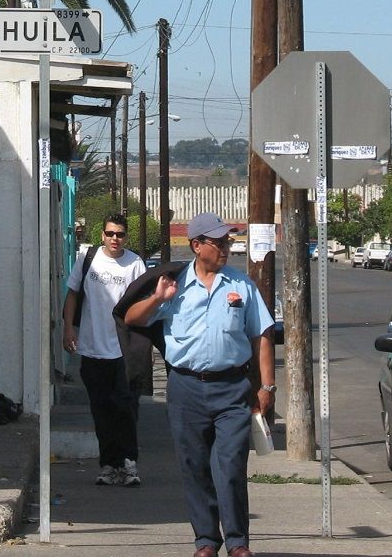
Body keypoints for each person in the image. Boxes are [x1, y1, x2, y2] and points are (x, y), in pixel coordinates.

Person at [124, 212, 276, 557]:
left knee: (231, 466)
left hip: (232, 388)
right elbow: (132, 318)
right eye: (218, 242)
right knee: (194, 466)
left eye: (228, 241)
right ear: (196, 246)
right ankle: (206, 541)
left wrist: (267, 386)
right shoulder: (174, 286)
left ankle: (237, 542)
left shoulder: (241, 286)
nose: (226, 247)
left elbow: (261, 336)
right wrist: (158, 299)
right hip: (186, 389)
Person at [61, 213, 147, 487]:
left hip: (123, 350)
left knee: (125, 409)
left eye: (120, 234)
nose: (114, 239)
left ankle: (129, 464)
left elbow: (144, 303)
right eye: (110, 234)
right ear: (102, 235)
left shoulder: (134, 264)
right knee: (101, 410)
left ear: (126, 237)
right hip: (92, 348)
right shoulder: (88, 260)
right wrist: (68, 328)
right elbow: (72, 294)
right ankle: (109, 465)